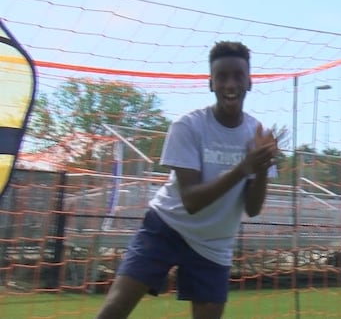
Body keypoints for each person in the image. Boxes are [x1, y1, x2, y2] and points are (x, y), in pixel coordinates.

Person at [96, 41, 279, 319]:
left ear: (249, 82)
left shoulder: (256, 134)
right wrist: (244, 167)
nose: (230, 84)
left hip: (214, 243)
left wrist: (262, 168)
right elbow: (192, 201)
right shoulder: (188, 125)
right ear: (211, 83)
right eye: (222, 77)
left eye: (238, 76)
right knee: (114, 310)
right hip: (166, 227)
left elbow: (252, 209)